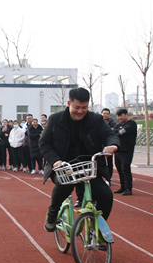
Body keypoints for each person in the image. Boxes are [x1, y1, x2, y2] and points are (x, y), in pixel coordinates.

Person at [39, 88, 119, 232]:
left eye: (84, 107)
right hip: (63, 166)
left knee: (106, 195)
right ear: (69, 103)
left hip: (89, 167)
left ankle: (97, 229)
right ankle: (52, 212)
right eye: (77, 107)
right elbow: (44, 143)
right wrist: (55, 160)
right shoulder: (55, 119)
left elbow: (109, 135)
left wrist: (112, 144)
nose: (80, 111)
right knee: (66, 185)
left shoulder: (96, 119)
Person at [113, 108, 137, 195]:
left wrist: (116, 132)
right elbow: (113, 132)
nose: (119, 117)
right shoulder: (119, 125)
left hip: (127, 151)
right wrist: (116, 131)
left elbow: (121, 132)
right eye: (118, 116)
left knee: (125, 169)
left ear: (126, 114)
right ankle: (122, 187)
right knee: (119, 169)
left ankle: (128, 188)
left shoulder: (132, 124)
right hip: (118, 151)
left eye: (121, 115)